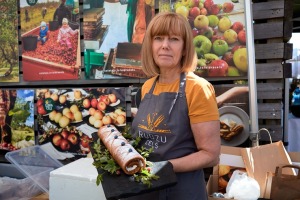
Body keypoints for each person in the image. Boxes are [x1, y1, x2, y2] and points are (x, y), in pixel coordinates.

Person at [129, 12, 221, 200]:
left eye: (174, 39)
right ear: (151, 45)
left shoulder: (197, 88)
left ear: (185, 48)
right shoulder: (148, 86)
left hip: (180, 191)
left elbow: (211, 155)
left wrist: (164, 166)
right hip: (145, 190)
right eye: (158, 38)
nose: (165, 45)